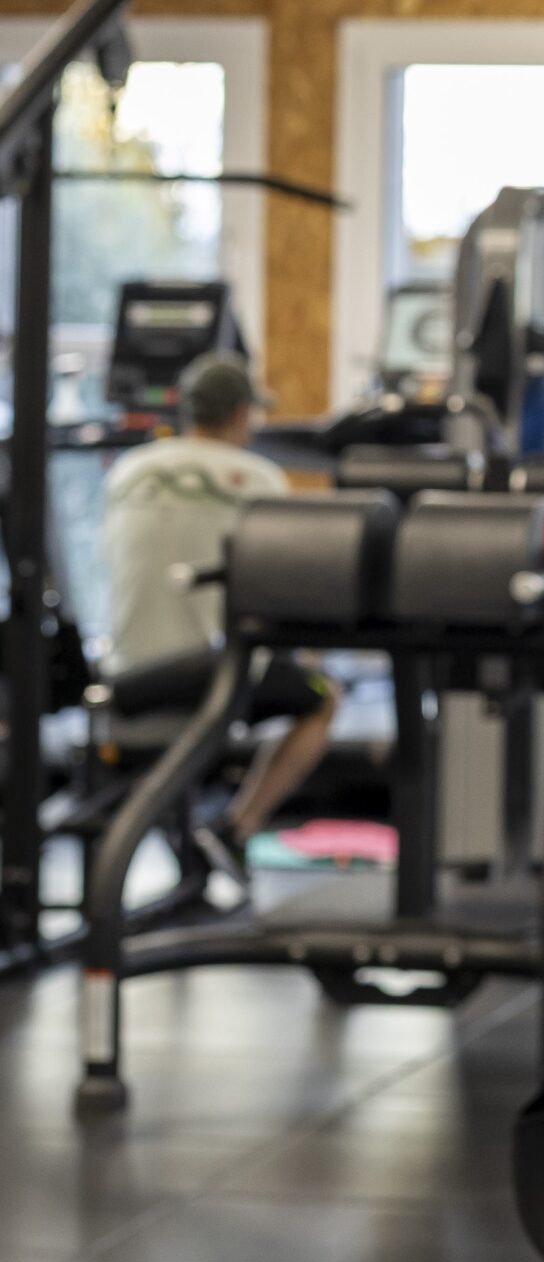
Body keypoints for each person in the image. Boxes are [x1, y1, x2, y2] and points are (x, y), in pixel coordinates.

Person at [101, 351, 337, 881]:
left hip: (127, 676)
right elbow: (287, 591)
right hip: (210, 674)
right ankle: (237, 828)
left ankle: (200, 844)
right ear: (239, 414)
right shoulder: (259, 478)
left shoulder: (128, 470)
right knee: (324, 698)